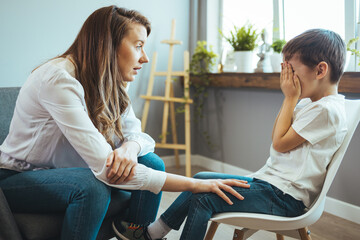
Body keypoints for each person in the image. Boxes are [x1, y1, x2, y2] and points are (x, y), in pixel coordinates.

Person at [0, 6, 250, 240]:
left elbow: (139, 136)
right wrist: (194, 184)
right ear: (107, 46)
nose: (145, 58)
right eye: (138, 46)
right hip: (18, 177)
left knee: (150, 160)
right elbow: (104, 170)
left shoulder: (110, 80)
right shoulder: (58, 80)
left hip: (68, 170)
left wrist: (129, 148)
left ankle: (136, 233)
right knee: (91, 187)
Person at [114, 28, 348, 240]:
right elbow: (278, 134)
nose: (288, 79)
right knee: (201, 178)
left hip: (285, 198)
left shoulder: (327, 110)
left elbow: (279, 143)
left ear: (320, 70)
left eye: (292, 71)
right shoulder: (310, 104)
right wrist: (291, 99)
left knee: (204, 196)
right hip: (270, 184)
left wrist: (289, 98)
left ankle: (151, 235)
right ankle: (154, 233)